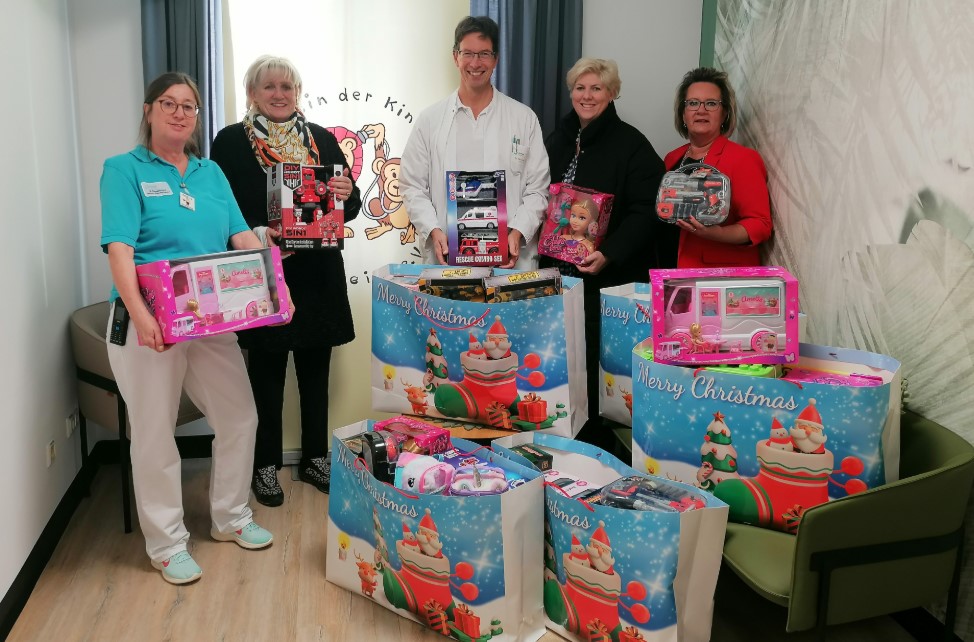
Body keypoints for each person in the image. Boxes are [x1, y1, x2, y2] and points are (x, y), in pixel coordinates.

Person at [100, 72, 280, 585]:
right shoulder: (123, 170)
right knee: (155, 434)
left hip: (208, 315)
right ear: (149, 109)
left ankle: (229, 517)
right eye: (169, 103)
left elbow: (239, 234)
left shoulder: (210, 173)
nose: (180, 113)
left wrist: (269, 262)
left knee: (240, 416)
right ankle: (167, 544)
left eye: (189, 106)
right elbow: (120, 248)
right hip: (148, 320)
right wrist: (139, 314)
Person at [211, 55, 361, 507]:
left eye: (287, 87)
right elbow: (223, 207)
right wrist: (261, 232)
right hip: (264, 274)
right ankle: (265, 464)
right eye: (269, 87)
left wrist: (347, 192)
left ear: (297, 93)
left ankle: (316, 457)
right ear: (252, 94)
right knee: (266, 375)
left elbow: (347, 206)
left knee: (316, 374)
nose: (279, 94)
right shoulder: (232, 142)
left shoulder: (321, 140)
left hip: (318, 276)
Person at [540, 57, 671, 449]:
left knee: (595, 360)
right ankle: (561, 436)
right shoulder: (557, 139)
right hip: (556, 273)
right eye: (580, 87)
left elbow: (648, 210)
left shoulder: (632, 144)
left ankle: (595, 446)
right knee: (559, 356)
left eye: (597, 88)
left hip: (603, 276)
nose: (587, 95)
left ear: (612, 93)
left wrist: (609, 253)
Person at [401, 16, 549, 269]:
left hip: (510, 263)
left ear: (496, 59)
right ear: (455, 56)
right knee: (447, 311)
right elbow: (412, 185)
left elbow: (537, 189)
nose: (475, 63)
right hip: (447, 261)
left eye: (484, 54)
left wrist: (517, 232)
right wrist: (433, 230)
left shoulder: (524, 118)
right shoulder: (430, 120)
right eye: (468, 53)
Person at [664, 67, 772, 267]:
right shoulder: (672, 159)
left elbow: (760, 225)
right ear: (683, 113)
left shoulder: (743, 159)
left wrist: (717, 233)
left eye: (711, 103)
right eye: (693, 103)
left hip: (718, 279)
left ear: (724, 114)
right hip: (675, 272)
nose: (701, 110)